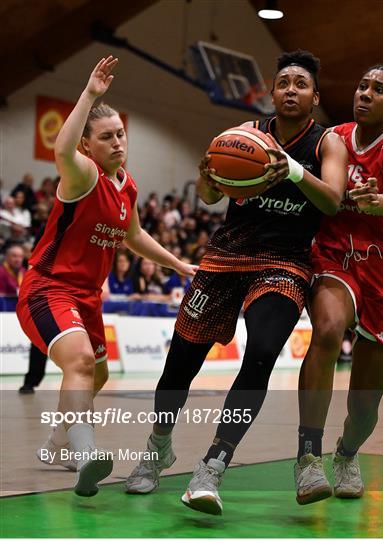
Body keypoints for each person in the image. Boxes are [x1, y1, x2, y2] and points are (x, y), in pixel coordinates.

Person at [126, 50, 348, 515]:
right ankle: (157, 448)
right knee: (179, 366)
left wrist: (287, 167)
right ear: (272, 92)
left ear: (315, 96)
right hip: (225, 256)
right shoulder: (242, 136)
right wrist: (207, 177)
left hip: (284, 263)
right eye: (283, 82)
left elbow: (331, 200)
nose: (291, 89)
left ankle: (213, 465)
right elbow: (209, 196)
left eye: (300, 84)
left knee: (263, 354)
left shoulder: (327, 142)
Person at [16, 56, 196, 497]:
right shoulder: (82, 174)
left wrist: (177, 264)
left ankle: (57, 444)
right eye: (106, 136)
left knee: (95, 376)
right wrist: (90, 95)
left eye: (120, 134)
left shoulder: (127, 186)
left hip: (87, 298)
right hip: (47, 289)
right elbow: (61, 149)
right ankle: (85, 452)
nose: (117, 142)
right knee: (78, 362)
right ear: (87, 146)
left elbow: (133, 235)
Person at [294, 64, 383, 504]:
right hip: (336, 254)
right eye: (361, 85)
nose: (364, 93)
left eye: (378, 89)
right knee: (327, 330)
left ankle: (346, 453)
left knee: (364, 407)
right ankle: (308, 457)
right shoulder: (334, 138)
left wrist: (375, 200)